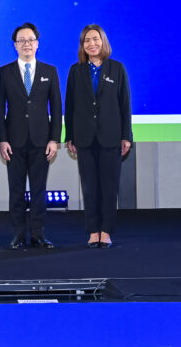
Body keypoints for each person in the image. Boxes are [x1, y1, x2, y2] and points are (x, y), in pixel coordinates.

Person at [0, 22, 62, 250]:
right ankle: (19, 235)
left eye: (30, 40)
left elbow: (56, 108)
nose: (26, 44)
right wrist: (2, 139)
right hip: (13, 142)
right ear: (15, 45)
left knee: (39, 190)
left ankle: (38, 234)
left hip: (42, 141)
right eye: (21, 40)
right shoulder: (4, 72)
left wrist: (54, 139)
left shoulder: (49, 71)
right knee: (16, 190)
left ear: (37, 44)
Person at [64, 24, 132, 247]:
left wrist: (126, 136)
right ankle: (93, 231)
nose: (91, 44)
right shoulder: (76, 71)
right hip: (84, 138)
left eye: (95, 39)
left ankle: (106, 231)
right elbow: (70, 105)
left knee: (109, 188)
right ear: (82, 46)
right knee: (90, 188)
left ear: (103, 41)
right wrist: (70, 136)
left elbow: (125, 105)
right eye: (87, 40)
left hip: (111, 137)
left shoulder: (117, 69)